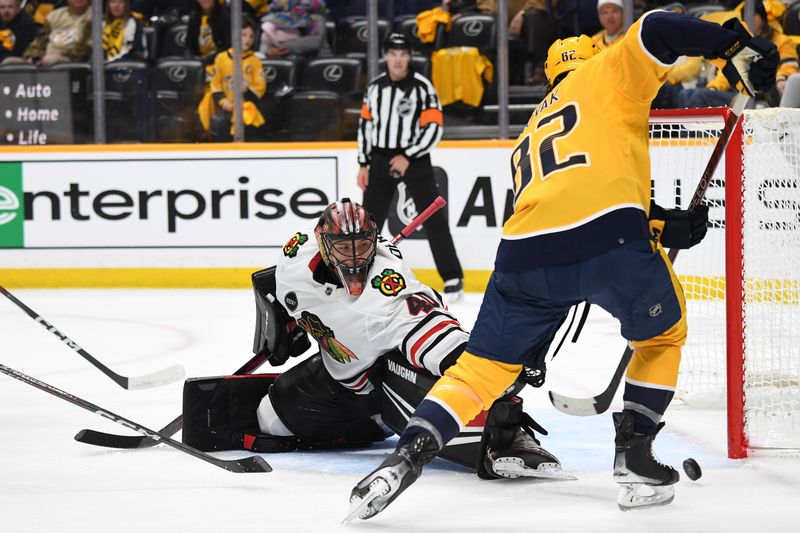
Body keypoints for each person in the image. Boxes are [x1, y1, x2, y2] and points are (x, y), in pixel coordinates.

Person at [346, 8, 778, 520]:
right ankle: (635, 455)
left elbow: (565, 201)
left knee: (479, 371)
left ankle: (406, 455)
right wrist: (730, 46)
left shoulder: (532, 129)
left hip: (526, 252)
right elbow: (658, 26)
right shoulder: (608, 70)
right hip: (608, 238)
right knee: (662, 337)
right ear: (596, 57)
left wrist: (660, 224)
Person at [183, 198, 568, 483]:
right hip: (338, 380)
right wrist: (283, 325)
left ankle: (503, 434)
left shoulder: (388, 288)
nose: (354, 257)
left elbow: (431, 330)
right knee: (271, 419)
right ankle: (367, 421)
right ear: (321, 242)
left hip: (378, 380)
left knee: (411, 379)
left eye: (363, 246)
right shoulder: (297, 252)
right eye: (345, 247)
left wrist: (495, 362)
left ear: (375, 241)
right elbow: (272, 280)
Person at [357, 33, 464, 302]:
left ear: (410, 57)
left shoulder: (422, 88)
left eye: (403, 54)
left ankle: (453, 277)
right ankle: (359, 273)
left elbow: (434, 129)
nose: (397, 60)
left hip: (415, 160)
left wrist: (408, 155)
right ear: (385, 56)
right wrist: (363, 162)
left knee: (433, 218)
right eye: (393, 53)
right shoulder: (375, 88)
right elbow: (365, 128)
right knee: (368, 222)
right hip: (380, 159)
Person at [677, 0, 796, 108]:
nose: (748, 17)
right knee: (686, 94)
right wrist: (714, 87)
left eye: (753, 14)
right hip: (736, 90)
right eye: (745, 14)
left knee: (699, 97)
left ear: (762, 17)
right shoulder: (742, 40)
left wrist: (782, 78)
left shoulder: (781, 40)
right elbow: (728, 70)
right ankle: (687, 132)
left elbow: (789, 64)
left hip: (759, 92)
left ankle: (697, 132)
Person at [198, 15, 266, 141]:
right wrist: (224, 103)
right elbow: (215, 85)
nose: (248, 40)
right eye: (244, 35)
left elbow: (260, 89)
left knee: (248, 120)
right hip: (225, 109)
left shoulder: (255, 61)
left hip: (247, 108)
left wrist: (242, 98)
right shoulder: (221, 58)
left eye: (251, 36)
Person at [22, 0, 91, 66]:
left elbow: (86, 47)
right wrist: (32, 57)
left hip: (74, 62)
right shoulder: (54, 16)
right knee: (13, 62)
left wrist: (60, 56)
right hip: (45, 61)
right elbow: (40, 41)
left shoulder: (95, 17)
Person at [259, 0, 331, 59]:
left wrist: (282, 46)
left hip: (318, 65)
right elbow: (264, 46)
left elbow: (315, 42)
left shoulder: (316, 18)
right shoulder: (275, 19)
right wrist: (268, 53)